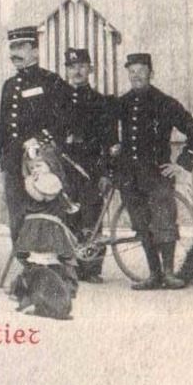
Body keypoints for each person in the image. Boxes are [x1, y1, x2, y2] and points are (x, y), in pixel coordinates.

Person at [111, 53, 193, 291]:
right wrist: (113, 149)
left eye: (141, 70)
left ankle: (169, 274)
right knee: (141, 225)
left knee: (164, 223)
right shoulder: (122, 102)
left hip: (157, 175)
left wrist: (182, 164)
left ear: (151, 73)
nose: (136, 75)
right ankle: (153, 274)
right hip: (130, 177)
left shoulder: (165, 103)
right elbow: (107, 132)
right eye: (131, 71)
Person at [0, 27, 71, 242]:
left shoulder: (50, 81)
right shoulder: (10, 85)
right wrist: (4, 159)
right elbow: (4, 127)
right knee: (17, 214)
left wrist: (40, 139)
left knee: (43, 211)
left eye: (20, 47)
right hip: (13, 160)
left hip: (39, 159)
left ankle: (47, 266)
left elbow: (65, 118)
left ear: (35, 51)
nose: (14, 53)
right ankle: (25, 263)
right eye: (12, 47)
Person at [58, 47, 113, 282]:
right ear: (67, 71)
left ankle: (91, 269)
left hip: (92, 168)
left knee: (92, 217)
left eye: (82, 66)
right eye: (72, 67)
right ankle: (70, 267)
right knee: (68, 217)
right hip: (66, 167)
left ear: (90, 69)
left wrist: (106, 172)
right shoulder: (59, 102)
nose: (77, 71)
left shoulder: (102, 102)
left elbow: (110, 141)